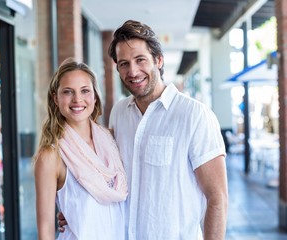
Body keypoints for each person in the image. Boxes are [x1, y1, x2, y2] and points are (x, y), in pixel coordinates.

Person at [58, 20, 228, 240]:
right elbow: (104, 176)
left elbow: (217, 198)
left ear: (158, 60)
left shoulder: (194, 116)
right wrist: (76, 206)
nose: (133, 71)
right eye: (124, 64)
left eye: (140, 60)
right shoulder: (119, 112)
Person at [34, 58, 128, 240]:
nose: (77, 99)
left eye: (85, 91)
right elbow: (45, 229)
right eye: (68, 92)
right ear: (56, 97)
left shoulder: (112, 139)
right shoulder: (50, 156)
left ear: (94, 96)